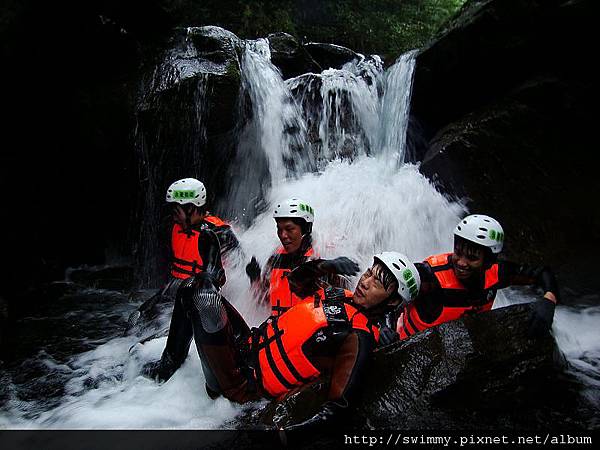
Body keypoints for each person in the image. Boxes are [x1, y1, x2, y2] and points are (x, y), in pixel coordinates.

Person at [144, 235, 421, 430]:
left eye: (379, 282)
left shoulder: (358, 337)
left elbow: (339, 406)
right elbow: (297, 282)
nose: (366, 282)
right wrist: (326, 266)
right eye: (369, 273)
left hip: (242, 383)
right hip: (248, 343)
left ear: (393, 301)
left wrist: (288, 431)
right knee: (189, 288)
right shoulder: (341, 295)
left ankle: (213, 276)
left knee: (200, 294)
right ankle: (167, 365)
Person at [391, 214, 559, 343]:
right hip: (411, 345)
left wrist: (549, 299)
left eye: (472, 258)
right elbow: (390, 288)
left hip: (465, 345)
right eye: (458, 253)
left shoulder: (497, 272)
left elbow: (541, 273)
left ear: (489, 261)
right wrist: (386, 328)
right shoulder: (431, 276)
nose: (461, 263)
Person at [126, 177, 239, 331]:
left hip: (203, 298)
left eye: (176, 209)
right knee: (135, 321)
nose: (173, 215)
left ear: (191, 208)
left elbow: (239, 272)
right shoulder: (175, 227)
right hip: (175, 290)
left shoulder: (220, 233)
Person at [245, 197, 358, 317]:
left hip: (311, 330)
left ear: (305, 229)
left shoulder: (321, 255)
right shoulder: (275, 259)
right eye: (279, 229)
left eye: (289, 229)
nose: (283, 235)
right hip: (280, 330)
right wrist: (255, 279)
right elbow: (263, 302)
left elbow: (345, 302)